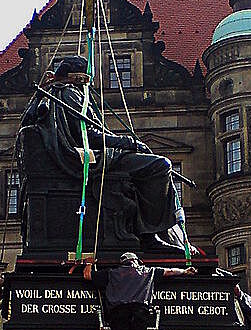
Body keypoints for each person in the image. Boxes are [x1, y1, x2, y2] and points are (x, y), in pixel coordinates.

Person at [18, 56, 187, 251]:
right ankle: (149, 236)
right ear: (78, 78)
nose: (89, 84)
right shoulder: (70, 93)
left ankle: (150, 231)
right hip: (84, 159)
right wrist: (128, 143)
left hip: (82, 155)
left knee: (148, 165)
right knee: (160, 166)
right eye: (87, 79)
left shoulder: (55, 93)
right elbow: (88, 135)